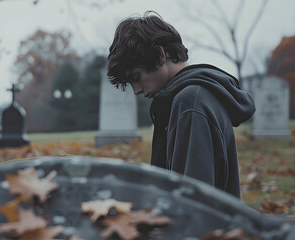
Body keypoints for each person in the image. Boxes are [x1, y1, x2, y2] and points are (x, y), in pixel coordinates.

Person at [107, 11, 255, 198]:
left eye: (137, 77)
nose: (136, 90)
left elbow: (193, 200)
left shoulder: (191, 102)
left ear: (160, 55)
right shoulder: (187, 97)